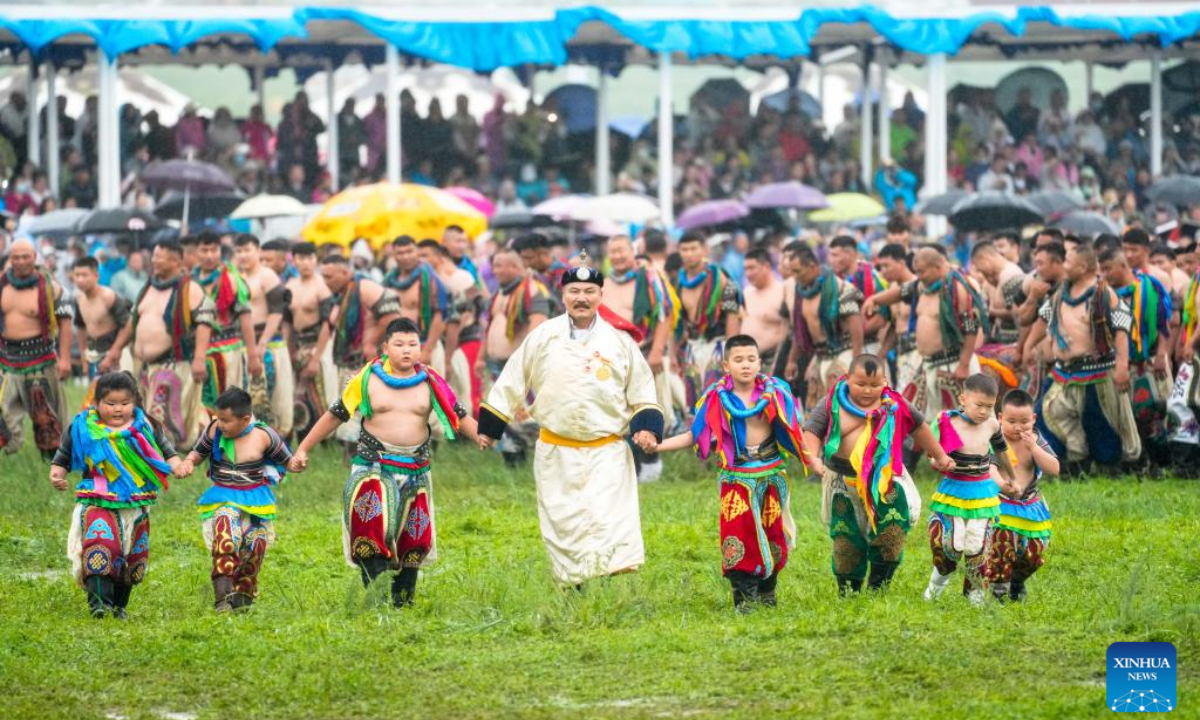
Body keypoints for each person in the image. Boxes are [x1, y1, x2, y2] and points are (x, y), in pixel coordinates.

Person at [477, 254, 664, 585]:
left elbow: (641, 387)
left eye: (589, 291)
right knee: (564, 520)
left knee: (607, 519)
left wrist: (647, 428)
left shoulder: (619, 341)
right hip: (556, 448)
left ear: (600, 296)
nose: (582, 298)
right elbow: (512, 378)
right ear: (563, 295)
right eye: (575, 291)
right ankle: (573, 587)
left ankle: (603, 580)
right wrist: (491, 429)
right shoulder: (543, 335)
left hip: (606, 449)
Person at [289, 318, 480, 607]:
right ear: (385, 347)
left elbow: (459, 415)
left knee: (414, 537)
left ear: (421, 348)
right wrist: (303, 448)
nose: (407, 350)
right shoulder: (366, 378)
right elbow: (335, 415)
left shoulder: (432, 382)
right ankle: (375, 597)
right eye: (399, 344)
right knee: (369, 530)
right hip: (373, 466)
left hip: (415, 469)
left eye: (413, 345)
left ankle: (404, 600)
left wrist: (483, 437)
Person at [654, 335, 804, 610]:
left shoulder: (777, 392)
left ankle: (768, 593)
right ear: (726, 365)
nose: (745, 365)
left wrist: (815, 457)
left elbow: (797, 430)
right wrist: (658, 446)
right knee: (738, 535)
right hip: (737, 477)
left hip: (771, 473)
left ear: (759, 362)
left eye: (751, 359)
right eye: (738, 360)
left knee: (774, 533)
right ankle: (744, 599)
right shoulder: (716, 399)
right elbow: (693, 435)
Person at [802, 354, 953, 595]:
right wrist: (813, 459)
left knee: (892, 528)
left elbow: (919, 427)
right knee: (845, 538)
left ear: (885, 381)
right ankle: (849, 591)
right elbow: (811, 430)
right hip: (842, 481)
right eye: (860, 384)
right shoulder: (832, 402)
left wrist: (941, 455)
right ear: (848, 378)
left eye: (874, 385)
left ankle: (878, 586)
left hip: (884, 479)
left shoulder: (895, 403)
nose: (867, 390)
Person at [49, 371, 190, 618]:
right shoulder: (84, 427)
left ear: (135, 402)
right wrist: (57, 474)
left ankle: (119, 606)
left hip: (135, 503)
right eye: (110, 404)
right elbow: (63, 455)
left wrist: (177, 466)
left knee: (132, 556)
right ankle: (99, 604)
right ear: (96, 403)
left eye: (124, 404)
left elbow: (167, 451)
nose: (118, 409)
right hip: (97, 498)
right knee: (100, 544)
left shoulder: (145, 426)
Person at [1025, 244, 1141, 477]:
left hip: (1098, 373)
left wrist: (1121, 367)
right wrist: (1028, 346)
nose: (1063, 265)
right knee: (1048, 414)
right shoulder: (1060, 293)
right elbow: (1042, 320)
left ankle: (1108, 468)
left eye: (1067, 261)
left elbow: (1121, 329)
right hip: (1063, 373)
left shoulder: (1103, 293)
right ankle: (1069, 464)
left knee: (1100, 422)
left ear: (1083, 266)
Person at [185, 387, 291, 612]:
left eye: (226, 420)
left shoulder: (264, 435)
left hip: (255, 499)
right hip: (222, 495)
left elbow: (288, 460)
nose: (220, 424)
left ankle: (243, 598)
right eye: (218, 418)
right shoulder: (215, 430)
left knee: (256, 542)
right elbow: (197, 453)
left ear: (245, 419)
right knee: (225, 531)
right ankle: (221, 598)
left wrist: (297, 463)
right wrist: (187, 462)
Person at [110, 240, 215, 451]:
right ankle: (205, 442)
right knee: (147, 414)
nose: (154, 260)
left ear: (176, 261)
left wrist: (199, 359)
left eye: (160, 257)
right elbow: (133, 321)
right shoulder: (149, 287)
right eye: (154, 256)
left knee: (164, 420)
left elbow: (205, 320)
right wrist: (115, 349)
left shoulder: (189, 289)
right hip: (145, 366)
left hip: (173, 365)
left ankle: (168, 456)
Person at [924, 373, 1017, 605]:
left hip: (983, 492)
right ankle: (934, 588)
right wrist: (940, 463)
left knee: (978, 543)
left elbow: (1002, 451)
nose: (984, 411)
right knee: (951, 544)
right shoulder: (946, 421)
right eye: (979, 405)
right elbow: (932, 455)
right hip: (954, 490)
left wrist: (1012, 477)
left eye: (990, 406)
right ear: (963, 399)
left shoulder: (993, 424)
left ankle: (974, 593)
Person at [864, 247, 988, 419]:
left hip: (954, 364)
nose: (919, 276)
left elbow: (971, 327)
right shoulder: (921, 287)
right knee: (928, 422)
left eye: (922, 272)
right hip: (929, 365)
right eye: (917, 272)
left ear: (936, 267)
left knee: (966, 421)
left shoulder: (957, 287)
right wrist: (874, 299)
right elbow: (899, 293)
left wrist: (964, 364)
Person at [602, 234, 678, 481]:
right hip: (611, 356)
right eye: (613, 251)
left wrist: (657, 351)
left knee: (647, 408)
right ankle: (628, 464)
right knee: (618, 411)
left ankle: (651, 461)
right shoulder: (603, 283)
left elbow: (664, 316)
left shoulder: (650, 278)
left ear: (632, 251)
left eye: (622, 250)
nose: (617, 255)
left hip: (644, 352)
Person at [1096, 245, 1172, 472]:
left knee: (1151, 412)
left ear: (1122, 266)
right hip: (1117, 366)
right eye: (1102, 269)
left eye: (1108, 268)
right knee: (1123, 417)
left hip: (1147, 363)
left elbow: (1163, 324)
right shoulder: (1103, 295)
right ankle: (1137, 463)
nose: (1105, 273)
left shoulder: (1149, 287)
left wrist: (1161, 355)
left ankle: (1162, 462)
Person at [476, 248, 552, 467]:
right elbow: (489, 327)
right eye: (495, 265)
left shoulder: (533, 291)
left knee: (528, 419)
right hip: (495, 365)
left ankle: (543, 458)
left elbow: (537, 328)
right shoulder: (499, 293)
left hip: (519, 367)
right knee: (497, 412)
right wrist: (481, 358)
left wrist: (523, 361)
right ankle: (513, 460)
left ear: (516, 267)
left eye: (501, 265)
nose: (496, 270)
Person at [0, 239, 73, 457]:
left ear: (34, 257)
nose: (21, 261)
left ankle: (54, 463)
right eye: (16, 257)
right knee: (3, 413)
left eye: (25, 256)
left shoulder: (53, 287)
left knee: (46, 417)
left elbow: (66, 320)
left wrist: (66, 358)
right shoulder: (2, 284)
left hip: (40, 358)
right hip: (6, 358)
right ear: (10, 259)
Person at [319, 253, 402, 447]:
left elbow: (392, 315)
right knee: (350, 408)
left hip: (367, 361)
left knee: (362, 409)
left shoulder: (365, 287)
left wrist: (371, 342)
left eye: (329, 277)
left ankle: (367, 458)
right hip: (350, 361)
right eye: (323, 276)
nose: (325, 282)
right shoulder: (343, 292)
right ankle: (353, 460)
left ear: (345, 272)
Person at [985, 389, 1057, 602]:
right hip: (1002, 503)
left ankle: (1017, 582)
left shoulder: (1036, 439)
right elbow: (990, 468)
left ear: (1033, 419)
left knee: (1034, 554)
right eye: (1011, 421)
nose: (1018, 427)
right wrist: (1002, 485)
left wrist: (1034, 448)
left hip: (1030, 504)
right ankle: (999, 588)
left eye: (1024, 421)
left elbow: (1054, 468)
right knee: (1002, 546)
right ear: (1000, 418)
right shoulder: (995, 438)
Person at [785, 243, 863, 409]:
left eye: (797, 271)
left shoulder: (841, 288)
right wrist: (792, 361)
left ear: (812, 266)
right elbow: (800, 332)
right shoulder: (801, 293)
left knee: (842, 411)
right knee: (816, 415)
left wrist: (856, 362)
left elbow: (857, 327)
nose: (794, 277)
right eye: (791, 271)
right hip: (820, 357)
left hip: (844, 355)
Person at [233, 234, 293, 439]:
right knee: (248, 395)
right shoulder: (236, 278)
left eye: (247, 250)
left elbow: (277, 311)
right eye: (239, 251)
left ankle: (276, 443)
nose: (243, 255)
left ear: (257, 251)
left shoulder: (267, 276)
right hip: (244, 344)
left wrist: (263, 343)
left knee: (274, 396)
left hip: (270, 343)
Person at [192, 232, 260, 410]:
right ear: (195, 252)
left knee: (228, 408)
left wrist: (253, 356)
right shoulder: (190, 280)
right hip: (195, 354)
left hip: (227, 354)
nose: (209, 256)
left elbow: (246, 319)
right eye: (204, 250)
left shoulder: (231, 279)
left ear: (220, 251)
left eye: (213, 250)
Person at [285, 242, 337, 442]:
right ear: (294, 260)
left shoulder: (322, 287)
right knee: (298, 393)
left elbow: (327, 324)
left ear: (316, 260)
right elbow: (287, 321)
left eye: (309, 258)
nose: (305, 263)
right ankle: (302, 435)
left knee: (321, 392)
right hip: (297, 343)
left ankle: (326, 439)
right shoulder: (290, 285)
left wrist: (316, 357)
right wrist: (288, 348)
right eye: (301, 258)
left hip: (318, 342)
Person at [384, 237, 450, 372]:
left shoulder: (430, 279)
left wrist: (427, 350)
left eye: (409, 251)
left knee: (430, 391)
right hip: (395, 346)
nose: (405, 256)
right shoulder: (388, 281)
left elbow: (440, 316)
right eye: (400, 253)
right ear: (394, 255)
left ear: (417, 252)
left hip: (424, 344)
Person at [71, 257, 131, 381]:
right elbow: (81, 328)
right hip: (94, 353)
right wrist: (84, 357)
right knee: (97, 398)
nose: (80, 279)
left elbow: (127, 324)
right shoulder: (79, 299)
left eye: (84, 275)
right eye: (77, 275)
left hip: (116, 354)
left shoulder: (108, 296)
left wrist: (114, 351)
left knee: (118, 396)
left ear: (96, 276)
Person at [874, 244, 920, 401]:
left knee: (909, 400)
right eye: (881, 267)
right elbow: (895, 325)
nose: (883, 271)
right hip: (901, 353)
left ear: (901, 263)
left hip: (918, 352)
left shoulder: (918, 286)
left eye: (887, 265)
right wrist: (882, 353)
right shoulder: (892, 290)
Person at [739, 247, 789, 376]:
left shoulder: (783, 292)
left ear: (766, 267)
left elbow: (789, 330)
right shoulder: (746, 293)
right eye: (745, 269)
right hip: (747, 364)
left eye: (752, 268)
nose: (748, 273)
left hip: (773, 362)